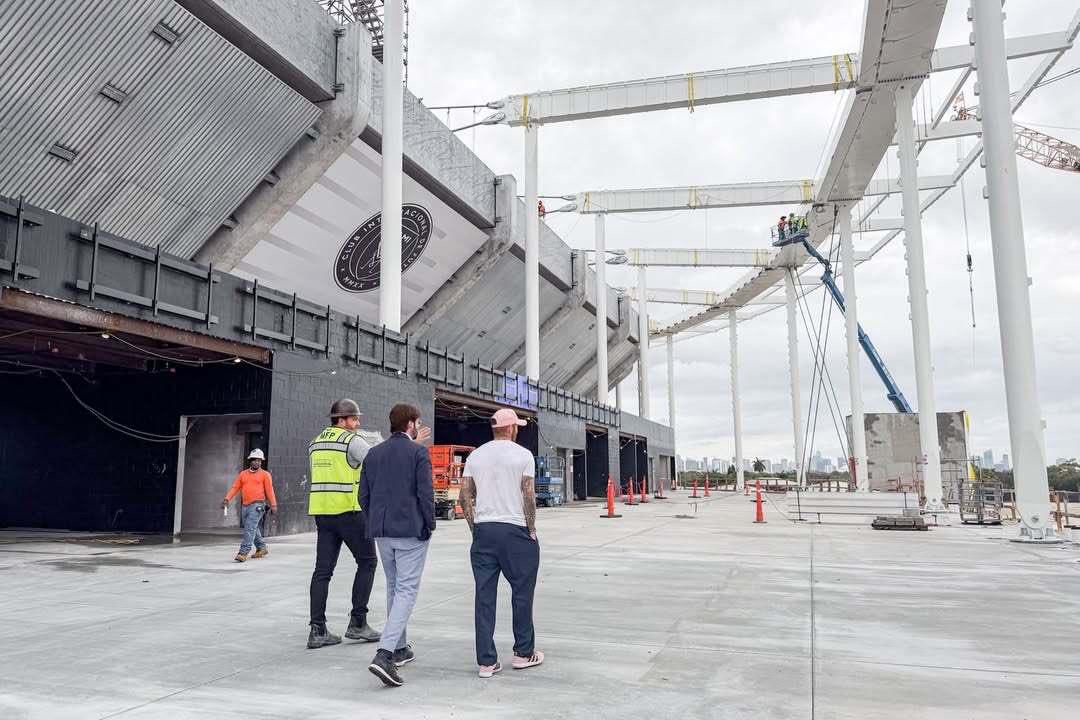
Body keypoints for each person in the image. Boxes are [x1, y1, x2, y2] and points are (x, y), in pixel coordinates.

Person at [458, 408, 545, 679]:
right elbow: (528, 495)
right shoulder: (523, 455)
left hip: (484, 531)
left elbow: (464, 497)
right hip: (515, 530)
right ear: (511, 429)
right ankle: (523, 653)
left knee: (484, 596)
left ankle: (486, 662)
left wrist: (476, 530)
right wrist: (531, 529)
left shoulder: (475, 455)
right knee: (522, 593)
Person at [360, 403, 435, 688]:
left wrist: (376, 522)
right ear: (411, 424)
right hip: (409, 532)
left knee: (393, 587)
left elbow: (363, 497)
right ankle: (385, 654)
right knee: (406, 590)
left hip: (382, 533)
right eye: (417, 422)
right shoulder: (418, 453)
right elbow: (424, 494)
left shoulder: (373, 453)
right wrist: (429, 524)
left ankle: (400, 647)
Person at [306, 398, 382, 649]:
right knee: (368, 562)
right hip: (349, 513)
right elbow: (377, 464)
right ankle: (358, 623)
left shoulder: (315, 443)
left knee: (323, 571)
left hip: (322, 514)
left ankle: (317, 630)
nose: (358, 423)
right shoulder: (351, 441)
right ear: (342, 419)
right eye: (354, 418)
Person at [222, 449, 276, 563]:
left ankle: (243, 552)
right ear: (250, 461)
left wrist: (273, 505)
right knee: (252, 528)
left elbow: (270, 490)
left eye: (259, 461)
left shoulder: (265, 475)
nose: (257, 463)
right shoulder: (243, 474)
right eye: (255, 460)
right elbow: (235, 487)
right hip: (245, 505)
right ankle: (261, 548)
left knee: (249, 528)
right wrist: (227, 499)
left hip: (258, 505)